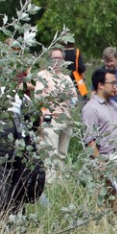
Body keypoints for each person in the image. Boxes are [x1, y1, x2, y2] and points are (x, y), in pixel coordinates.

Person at [33, 47, 77, 178]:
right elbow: (39, 97)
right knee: (52, 155)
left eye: (59, 59)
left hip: (67, 120)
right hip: (51, 120)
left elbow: (74, 99)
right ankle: (51, 184)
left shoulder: (67, 78)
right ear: (49, 60)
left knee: (62, 155)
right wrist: (60, 94)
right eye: (54, 59)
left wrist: (54, 94)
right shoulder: (43, 75)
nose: (57, 62)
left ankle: (61, 183)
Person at [81, 66, 117, 158]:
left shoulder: (113, 104)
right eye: (112, 83)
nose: (115, 87)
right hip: (104, 161)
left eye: (115, 83)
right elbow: (90, 141)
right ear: (100, 85)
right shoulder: (91, 108)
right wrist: (101, 165)